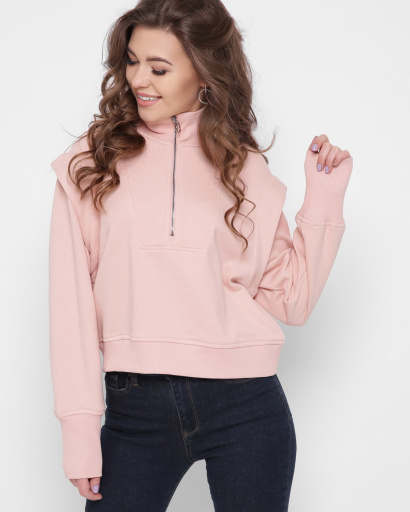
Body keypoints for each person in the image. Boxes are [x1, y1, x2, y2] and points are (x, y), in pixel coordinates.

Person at [48, 0, 353, 510]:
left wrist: (323, 198)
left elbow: (292, 300)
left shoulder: (243, 166)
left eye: (159, 68)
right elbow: (70, 306)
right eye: (132, 61)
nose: (138, 80)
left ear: (204, 71)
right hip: (134, 410)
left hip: (246, 406)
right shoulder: (90, 163)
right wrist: (79, 431)